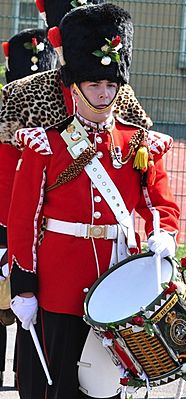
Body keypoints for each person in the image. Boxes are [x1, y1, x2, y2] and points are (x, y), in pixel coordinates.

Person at [8, 3, 180, 399]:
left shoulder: (138, 142)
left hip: (117, 282)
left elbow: (159, 205)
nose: (104, 95)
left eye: (110, 85)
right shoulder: (46, 144)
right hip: (59, 283)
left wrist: (164, 235)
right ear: (75, 86)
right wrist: (25, 287)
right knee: (59, 383)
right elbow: (24, 220)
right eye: (93, 85)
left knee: (109, 386)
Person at [0, 27, 57, 388]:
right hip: (39, 223)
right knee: (30, 305)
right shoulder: (58, 116)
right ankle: (26, 375)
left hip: (12, 223)